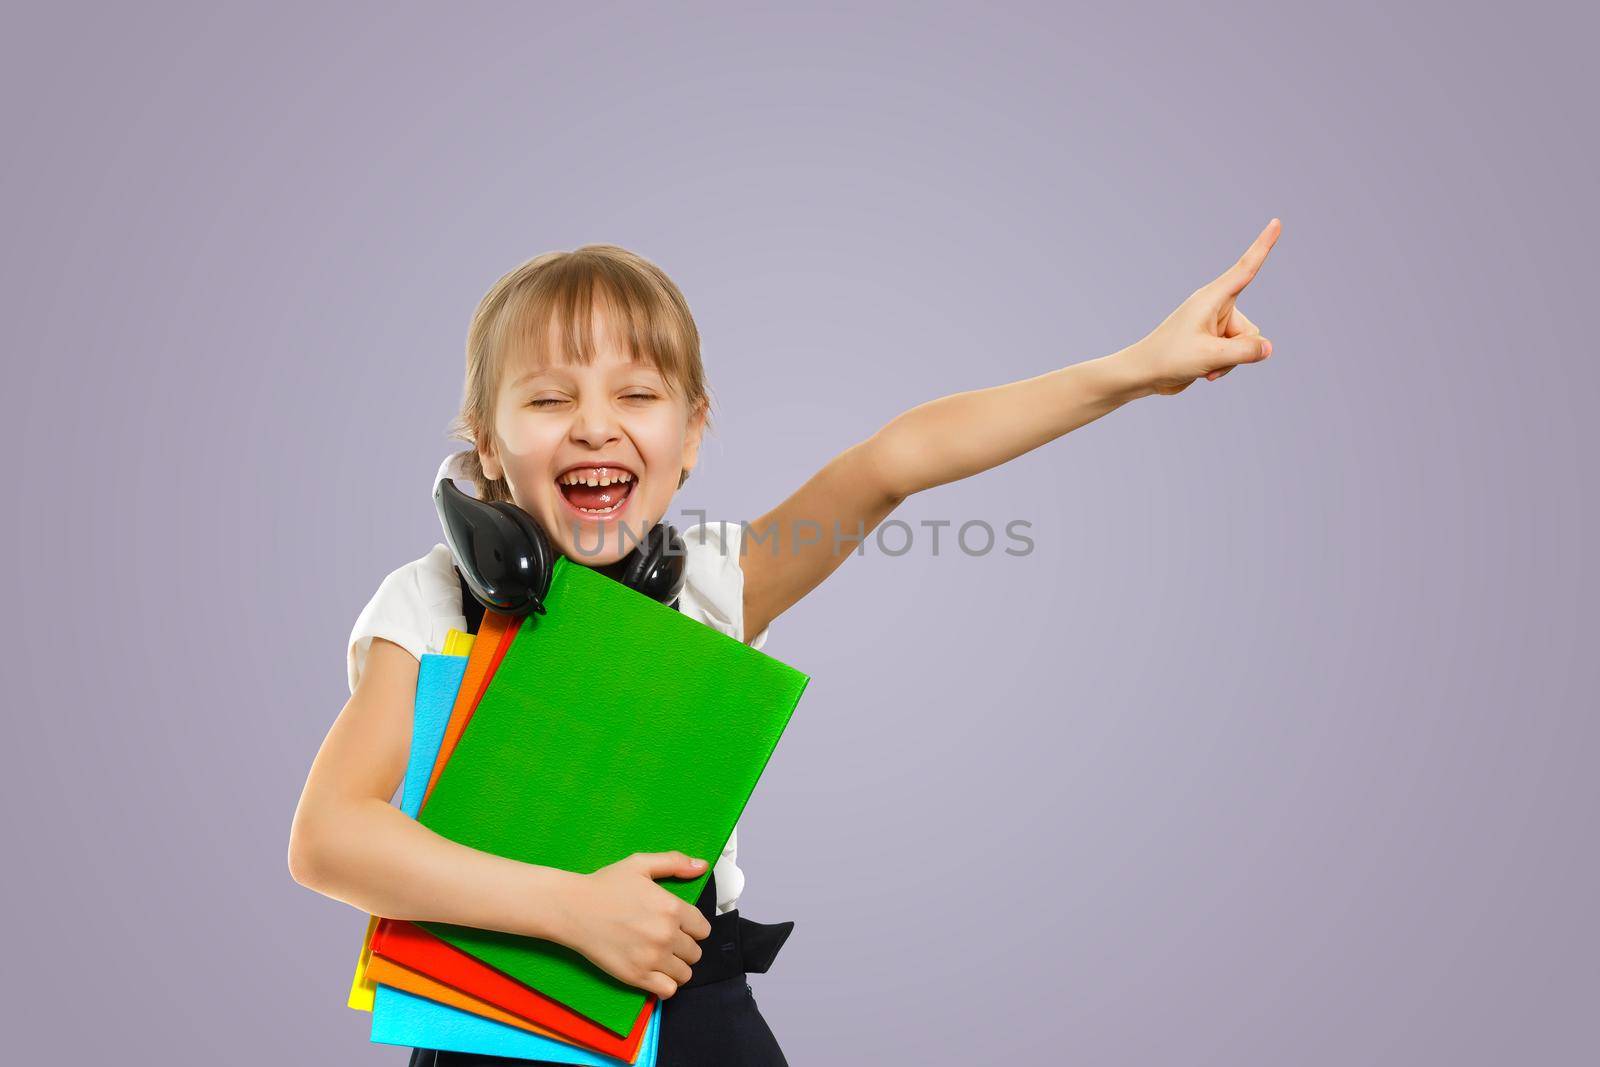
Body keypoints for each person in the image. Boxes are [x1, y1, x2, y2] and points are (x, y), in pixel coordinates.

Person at [289, 221, 1283, 1064]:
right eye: (549, 399)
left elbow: (896, 459)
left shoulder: (717, 580)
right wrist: (570, 909)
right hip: (493, 1019)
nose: (595, 426)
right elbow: (329, 837)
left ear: (692, 430)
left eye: (636, 395)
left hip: (696, 1009)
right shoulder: (428, 602)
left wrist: (1134, 369)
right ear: (485, 443)